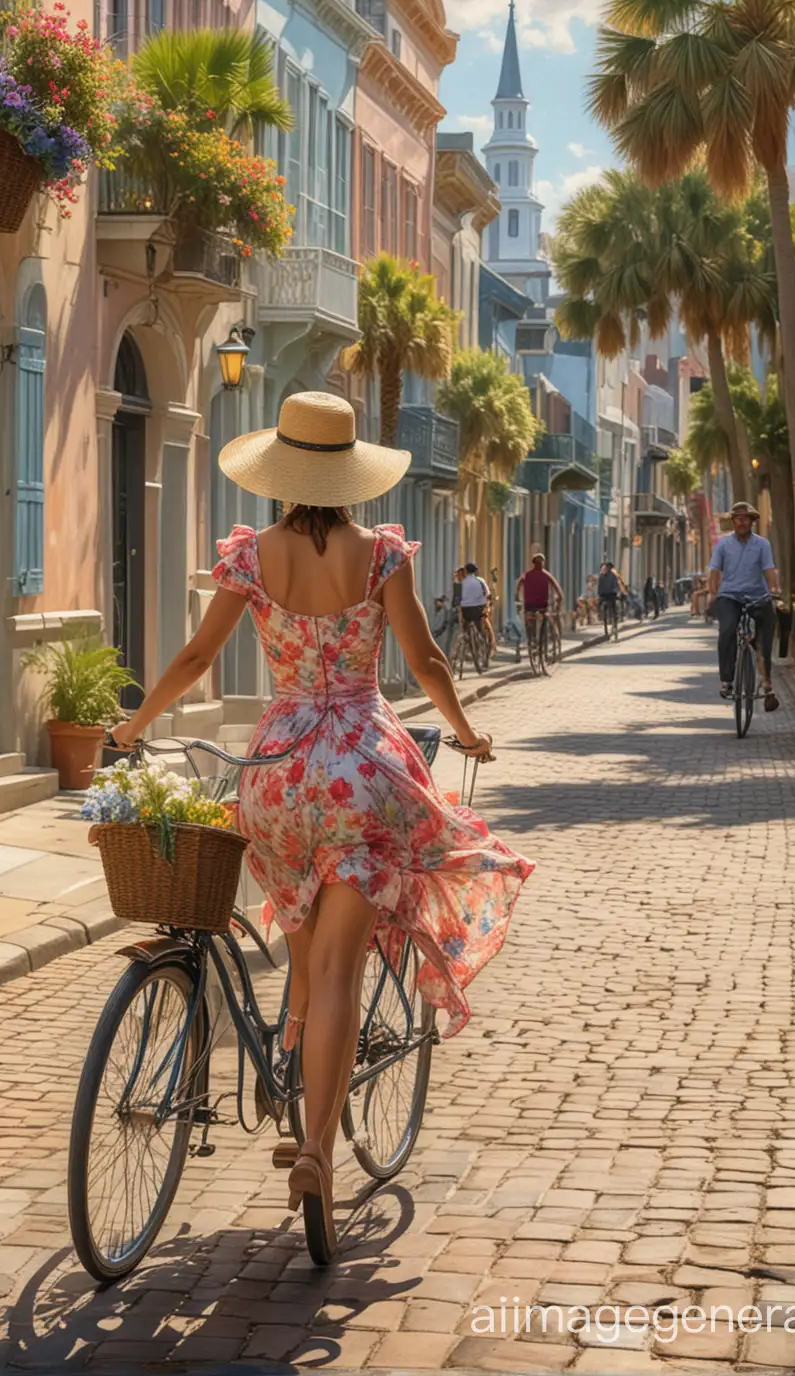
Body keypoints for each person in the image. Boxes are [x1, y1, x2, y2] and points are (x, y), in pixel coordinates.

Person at [107, 392, 533, 1255]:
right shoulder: (379, 555)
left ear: (281, 472)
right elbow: (425, 658)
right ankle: (316, 1153)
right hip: (361, 772)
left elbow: (196, 656)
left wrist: (133, 724)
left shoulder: (253, 557)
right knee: (339, 972)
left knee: (303, 951)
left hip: (278, 777)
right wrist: (463, 731)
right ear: (347, 477)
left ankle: (292, 1079)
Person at [708, 500, 780, 711]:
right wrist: (713, 594)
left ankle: (767, 685)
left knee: (765, 638)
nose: (742, 522)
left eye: (745, 519)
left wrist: (775, 590)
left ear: (752, 521)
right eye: (738, 519)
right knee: (727, 631)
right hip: (730, 596)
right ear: (733, 522)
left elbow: (769, 569)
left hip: (757, 596)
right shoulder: (723, 545)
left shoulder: (762, 544)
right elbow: (714, 571)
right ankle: (727, 680)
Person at [515, 552, 563, 651]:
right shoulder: (546, 575)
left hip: (530, 605)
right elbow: (556, 587)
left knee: (529, 621)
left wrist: (517, 597)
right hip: (542, 605)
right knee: (543, 619)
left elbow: (518, 584)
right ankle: (539, 640)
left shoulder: (527, 575)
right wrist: (560, 597)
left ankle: (532, 640)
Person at [459, 561, 492, 660]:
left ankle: (467, 641)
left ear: (465, 571)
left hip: (465, 609)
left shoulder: (462, 582)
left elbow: (458, 597)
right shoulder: (480, 581)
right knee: (480, 626)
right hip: (478, 608)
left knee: (465, 624)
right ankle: (482, 642)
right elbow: (487, 594)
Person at [596, 560, 625, 633]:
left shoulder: (612, 575)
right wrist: (599, 594)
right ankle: (601, 616)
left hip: (612, 594)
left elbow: (616, 585)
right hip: (603, 595)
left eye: (604, 569)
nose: (603, 570)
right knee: (600, 605)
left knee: (614, 607)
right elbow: (600, 587)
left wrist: (615, 591)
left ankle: (614, 624)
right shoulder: (601, 577)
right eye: (602, 569)